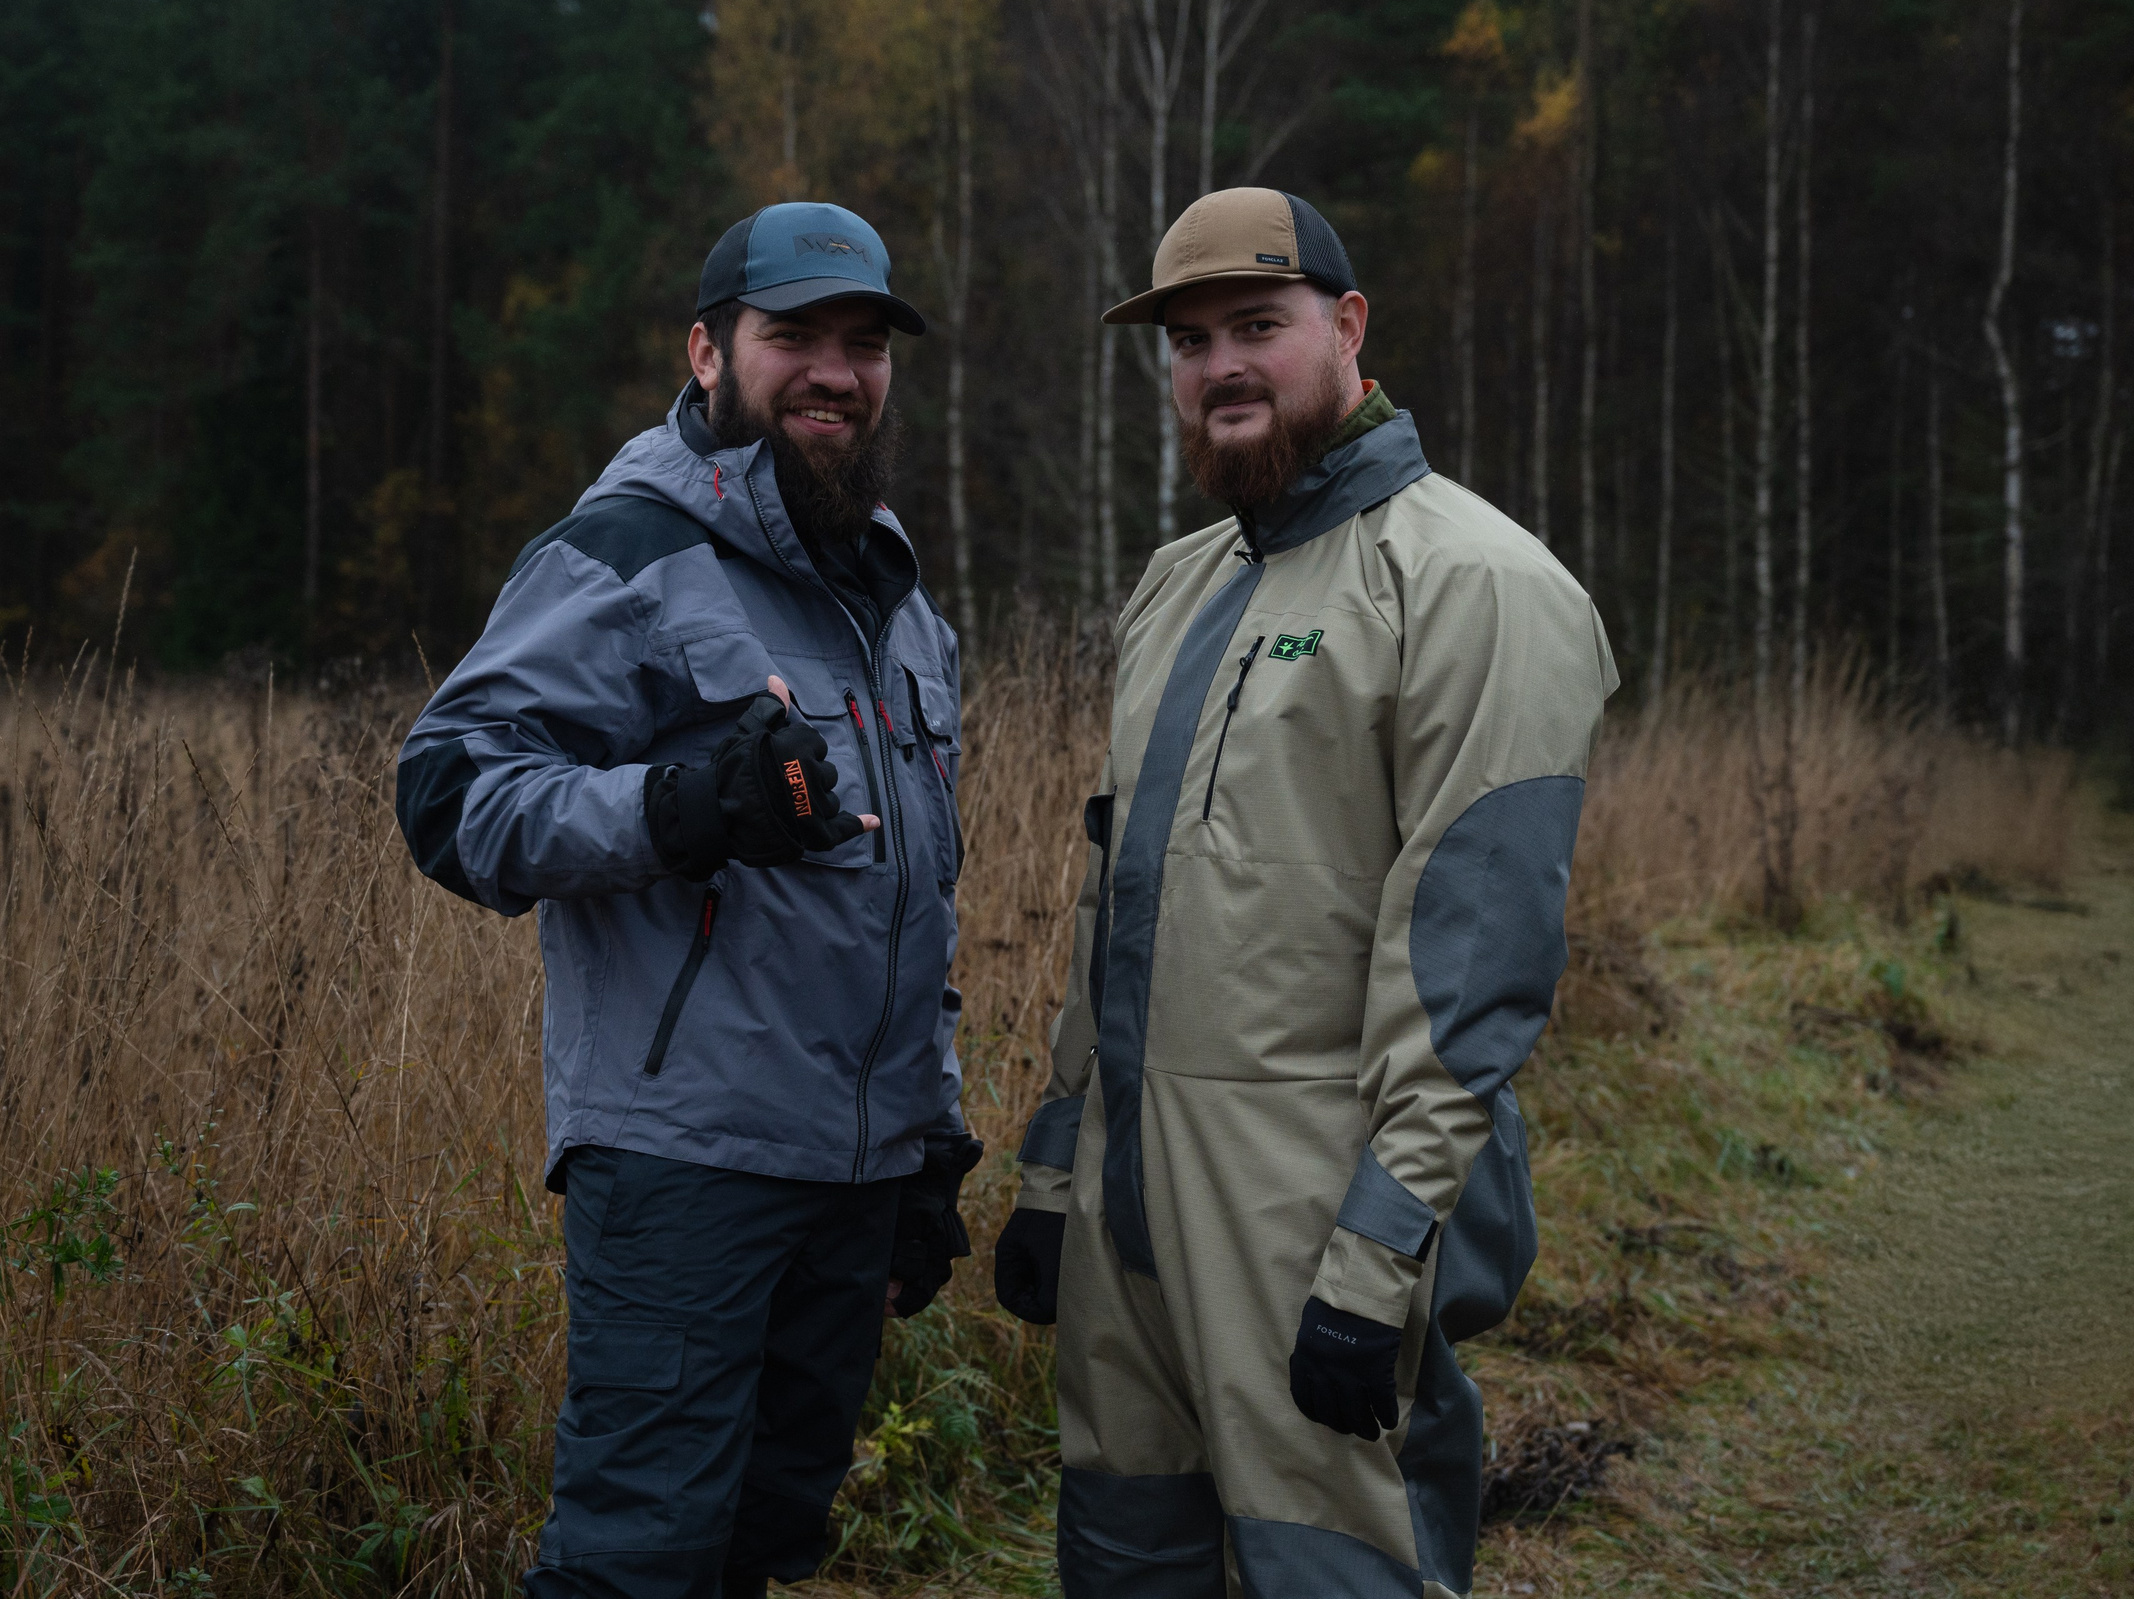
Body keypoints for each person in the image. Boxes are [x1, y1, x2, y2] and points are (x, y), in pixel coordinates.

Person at [990, 187, 1616, 1597]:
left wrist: (1378, 1257)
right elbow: (1114, 908)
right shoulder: (1176, 583)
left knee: (1334, 1574)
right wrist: (1055, 1173)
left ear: (1347, 328)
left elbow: (1473, 972)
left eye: (1258, 327)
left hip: (1311, 1224)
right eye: (1189, 339)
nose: (1220, 366)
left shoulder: (1475, 584)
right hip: (1128, 1221)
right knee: (1122, 1561)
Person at [395, 201, 982, 1599]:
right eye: (795, 337)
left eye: (863, 341)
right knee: (638, 1557)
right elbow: (449, 794)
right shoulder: (625, 551)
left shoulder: (893, 602)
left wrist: (929, 1143)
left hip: (853, 1173)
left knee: (766, 1539)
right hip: (686, 1163)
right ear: (709, 351)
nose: (835, 370)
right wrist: (676, 807)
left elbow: (910, 896)